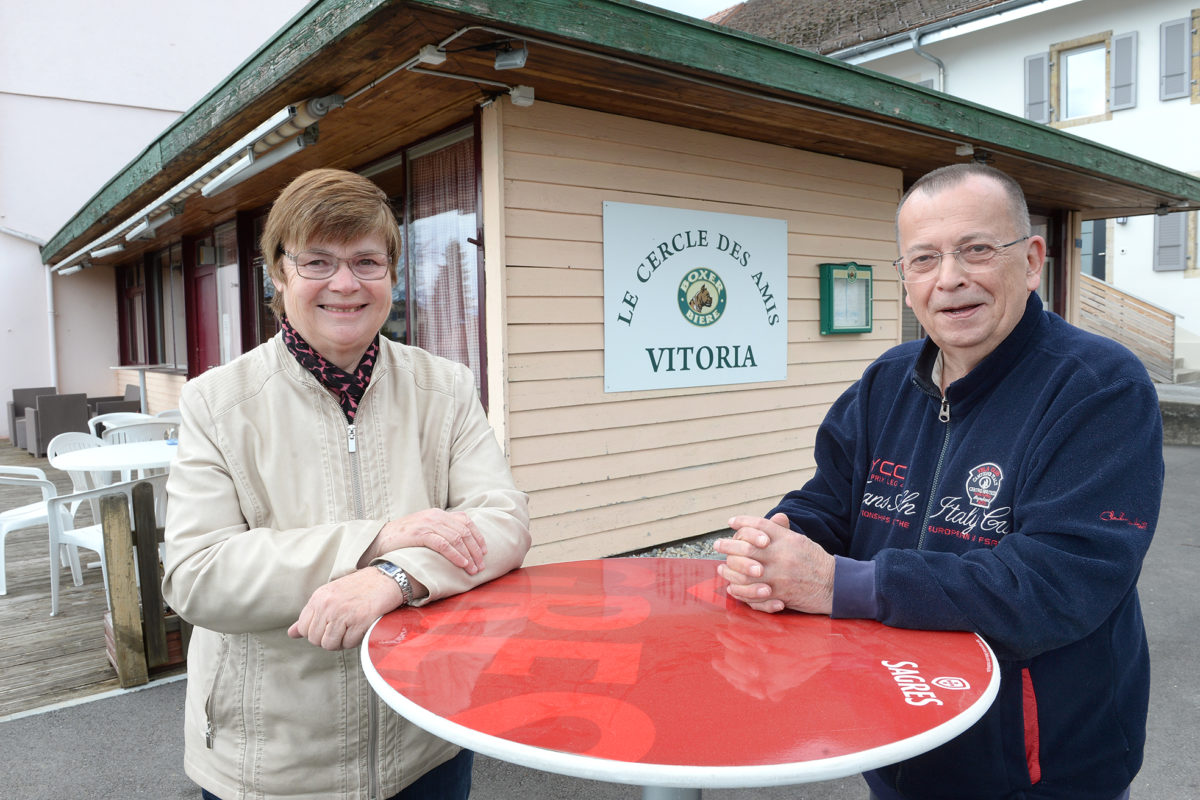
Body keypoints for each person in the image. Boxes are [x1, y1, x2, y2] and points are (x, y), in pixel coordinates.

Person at [715, 163, 1162, 800]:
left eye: (976, 250)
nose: (949, 278)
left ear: (1032, 260)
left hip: (1041, 769)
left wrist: (839, 582)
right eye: (923, 259)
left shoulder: (1098, 387)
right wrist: (778, 541)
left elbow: (1058, 583)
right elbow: (830, 499)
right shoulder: (885, 381)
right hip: (898, 739)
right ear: (904, 282)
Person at [162, 168, 531, 800]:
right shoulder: (217, 403)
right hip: (273, 763)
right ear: (279, 275)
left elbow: (503, 523)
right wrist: (375, 538)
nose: (344, 284)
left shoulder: (444, 387)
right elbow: (197, 575)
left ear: (391, 273)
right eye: (317, 262)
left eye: (366, 261)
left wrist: (388, 578)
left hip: (426, 735)